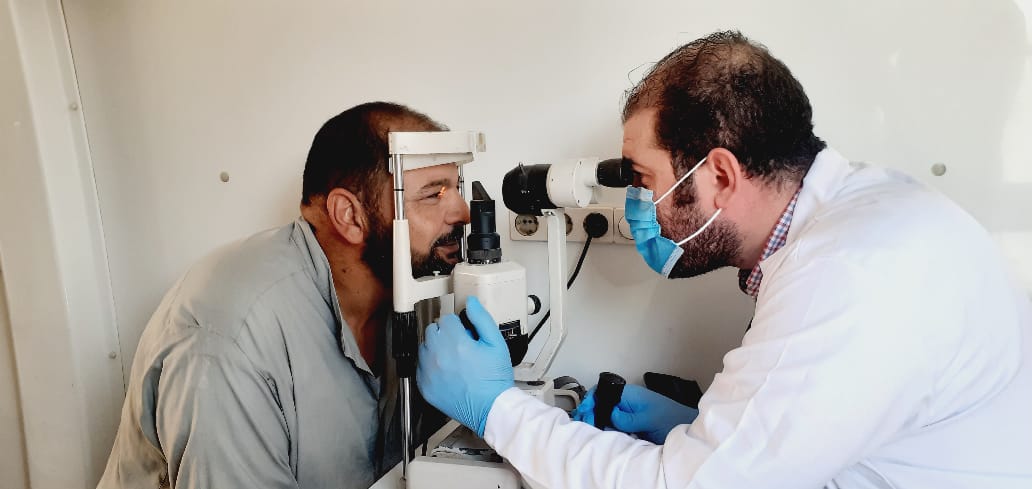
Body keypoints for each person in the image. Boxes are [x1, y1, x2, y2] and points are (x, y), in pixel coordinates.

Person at [416, 31, 1032, 488]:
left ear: (720, 176)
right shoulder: (861, 213)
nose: (639, 203)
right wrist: (710, 428)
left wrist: (497, 409)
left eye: (644, 178)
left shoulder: (846, 275)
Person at [98, 102, 469, 488]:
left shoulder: (412, 293)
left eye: (455, 189)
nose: (463, 213)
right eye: (434, 194)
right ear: (350, 215)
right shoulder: (231, 335)